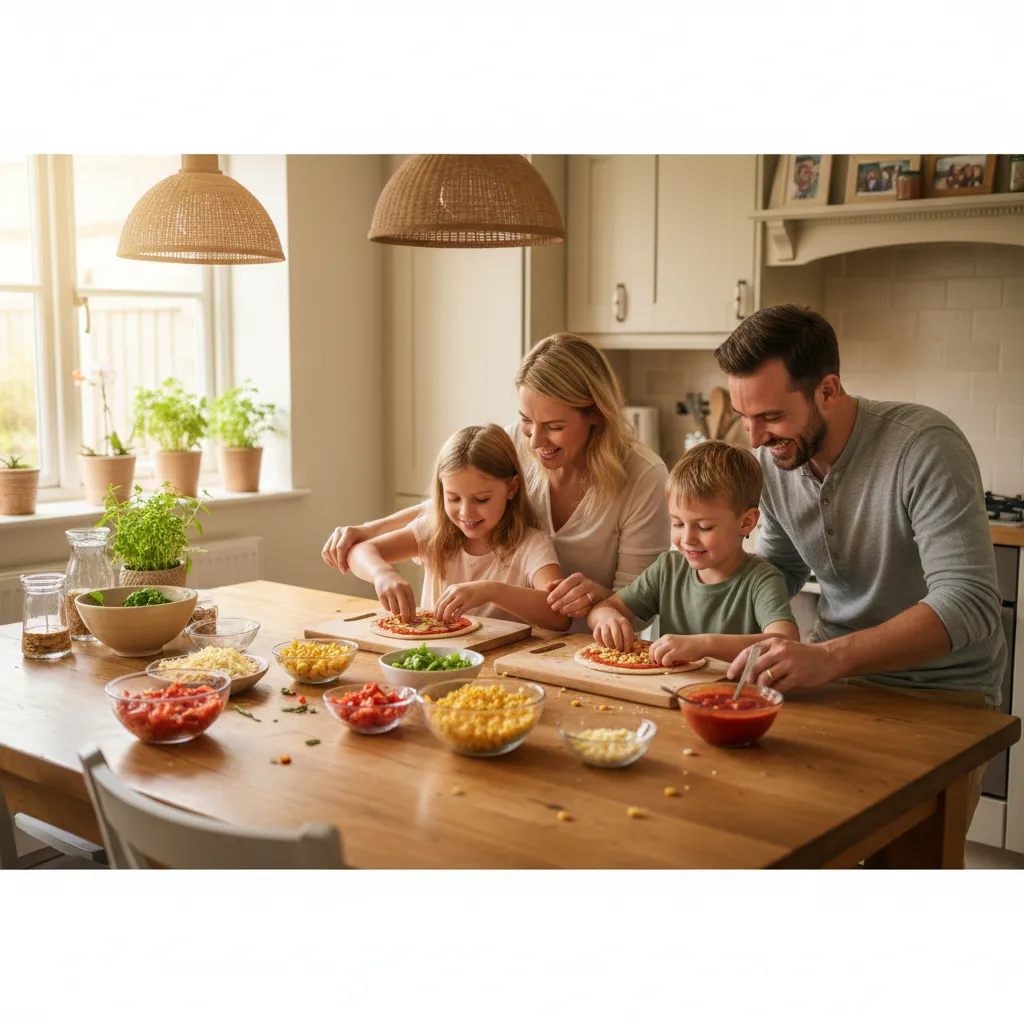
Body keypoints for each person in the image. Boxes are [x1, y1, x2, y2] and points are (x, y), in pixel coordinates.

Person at [713, 304, 1006, 823]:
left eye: (772, 417)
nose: (755, 439)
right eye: (745, 418)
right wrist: (701, 612)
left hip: (941, 697)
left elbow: (969, 603)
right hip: (833, 688)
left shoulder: (923, 446)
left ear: (828, 389)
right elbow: (778, 570)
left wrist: (828, 658)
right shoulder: (777, 462)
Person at [323, 333, 670, 631]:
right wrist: (369, 532)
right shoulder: (515, 442)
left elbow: (639, 607)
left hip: (585, 650)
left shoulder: (643, 476)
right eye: (526, 421)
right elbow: (454, 504)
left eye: (554, 427)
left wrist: (601, 600)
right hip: (516, 647)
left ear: (595, 413)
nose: (535, 442)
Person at [587, 440, 798, 662]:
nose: (687, 539)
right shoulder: (668, 568)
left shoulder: (762, 580)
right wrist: (607, 617)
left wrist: (704, 645)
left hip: (733, 694)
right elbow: (604, 607)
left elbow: (786, 642)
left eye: (704, 527)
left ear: (746, 522)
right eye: (677, 523)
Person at [345, 424, 570, 632]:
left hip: (498, 667)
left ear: (512, 488)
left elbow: (559, 617)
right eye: (453, 498)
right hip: (433, 658)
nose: (466, 512)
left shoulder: (531, 544)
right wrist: (382, 574)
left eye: (481, 499)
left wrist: (491, 591)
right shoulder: (433, 531)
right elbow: (359, 551)